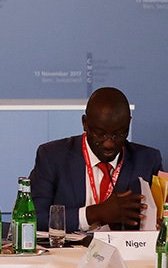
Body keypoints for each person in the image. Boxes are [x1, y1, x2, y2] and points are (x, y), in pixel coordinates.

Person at [29, 86, 163, 232]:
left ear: (128, 124)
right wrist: (94, 213)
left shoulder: (148, 160)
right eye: (100, 134)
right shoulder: (53, 156)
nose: (109, 144)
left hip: (126, 253)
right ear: (85, 123)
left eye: (119, 134)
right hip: (68, 252)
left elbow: (161, 217)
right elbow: (34, 219)